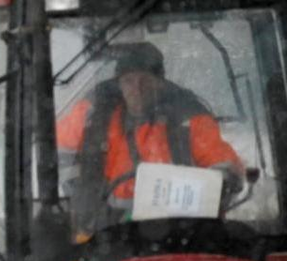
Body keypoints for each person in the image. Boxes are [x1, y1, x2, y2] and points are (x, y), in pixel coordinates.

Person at [56, 42, 245, 231]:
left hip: (179, 233)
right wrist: (81, 196)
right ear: (119, 84)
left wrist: (218, 187)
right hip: (106, 234)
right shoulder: (95, 115)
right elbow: (57, 151)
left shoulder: (188, 119)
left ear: (160, 83)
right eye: (128, 80)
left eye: (144, 81)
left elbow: (221, 163)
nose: (136, 89)